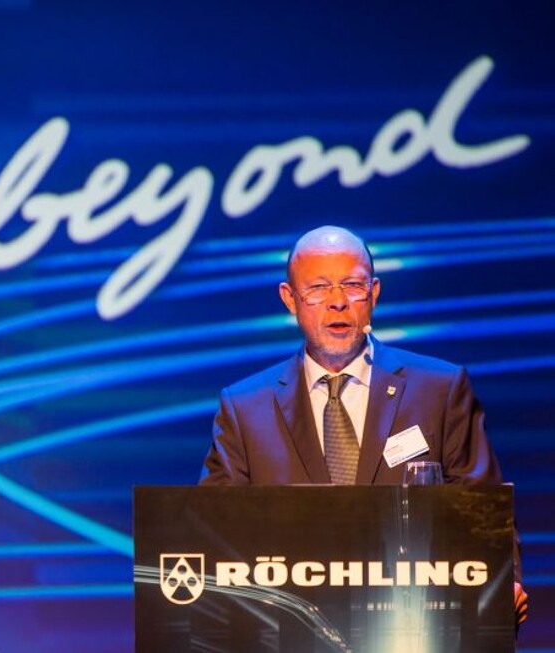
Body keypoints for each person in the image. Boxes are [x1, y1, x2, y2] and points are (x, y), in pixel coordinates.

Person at [199, 225, 528, 627]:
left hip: (413, 628)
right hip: (290, 633)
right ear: (290, 299)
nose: (337, 302)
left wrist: (502, 582)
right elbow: (214, 535)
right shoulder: (244, 407)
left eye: (352, 285)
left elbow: (484, 511)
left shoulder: (439, 390)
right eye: (318, 288)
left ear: (373, 293)